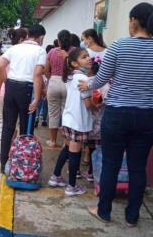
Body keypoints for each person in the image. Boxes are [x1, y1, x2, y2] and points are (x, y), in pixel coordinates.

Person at [78, 2, 153, 226]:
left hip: (117, 114)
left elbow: (101, 79)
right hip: (148, 116)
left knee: (111, 164)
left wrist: (86, 85)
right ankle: (132, 216)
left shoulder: (119, 46)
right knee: (138, 166)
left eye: (129, 20)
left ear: (134, 21)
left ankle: (104, 211)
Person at [0, 24, 47, 173]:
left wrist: (6, 82)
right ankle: (23, 165)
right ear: (41, 37)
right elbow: (37, 75)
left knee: (8, 127)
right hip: (27, 90)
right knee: (26, 129)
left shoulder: (14, 48)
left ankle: (4, 164)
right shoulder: (40, 51)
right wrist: (36, 99)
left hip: (11, 87)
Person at [48, 48, 95, 196]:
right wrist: (98, 105)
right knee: (75, 153)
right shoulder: (84, 80)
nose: (89, 58)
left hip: (68, 119)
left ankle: (55, 177)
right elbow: (88, 104)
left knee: (67, 149)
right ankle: (72, 186)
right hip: (78, 121)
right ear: (75, 63)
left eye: (88, 56)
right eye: (84, 57)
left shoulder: (70, 76)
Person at [80, 28, 108, 166]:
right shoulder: (107, 51)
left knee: (87, 119)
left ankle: (85, 153)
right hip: (103, 90)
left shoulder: (86, 53)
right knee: (98, 122)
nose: (83, 42)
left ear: (90, 38)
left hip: (88, 87)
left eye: (84, 39)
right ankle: (90, 157)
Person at [44, 30, 74, 147]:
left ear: (59, 40)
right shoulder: (74, 52)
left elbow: (46, 70)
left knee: (53, 114)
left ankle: (52, 140)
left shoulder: (52, 51)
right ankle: (66, 143)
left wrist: (50, 78)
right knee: (67, 113)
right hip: (69, 83)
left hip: (54, 82)